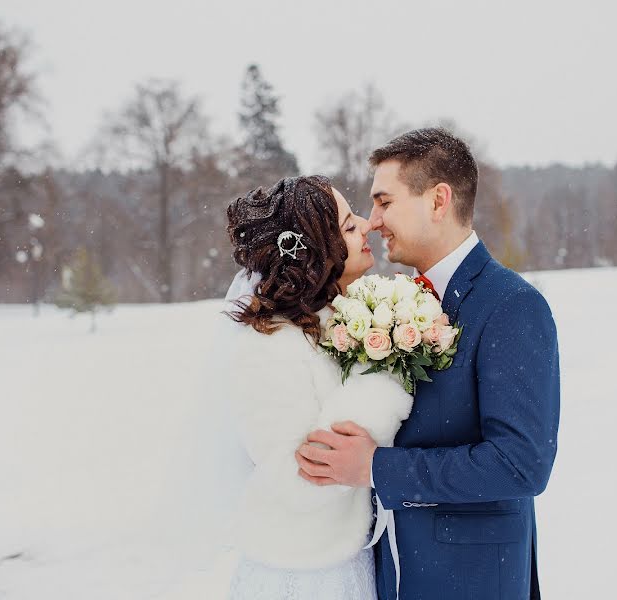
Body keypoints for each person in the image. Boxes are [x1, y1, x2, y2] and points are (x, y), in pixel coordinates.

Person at [296, 128, 561, 600]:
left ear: (439, 200)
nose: (373, 221)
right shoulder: (389, 301)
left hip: (473, 580)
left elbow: (522, 465)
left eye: (385, 201)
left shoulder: (512, 306)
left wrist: (379, 469)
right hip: (392, 576)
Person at [222, 175, 413, 599]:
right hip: (302, 576)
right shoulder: (267, 346)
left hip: (352, 561)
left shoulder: (336, 322)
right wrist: (385, 379)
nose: (366, 226)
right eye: (348, 226)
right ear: (315, 255)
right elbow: (298, 477)